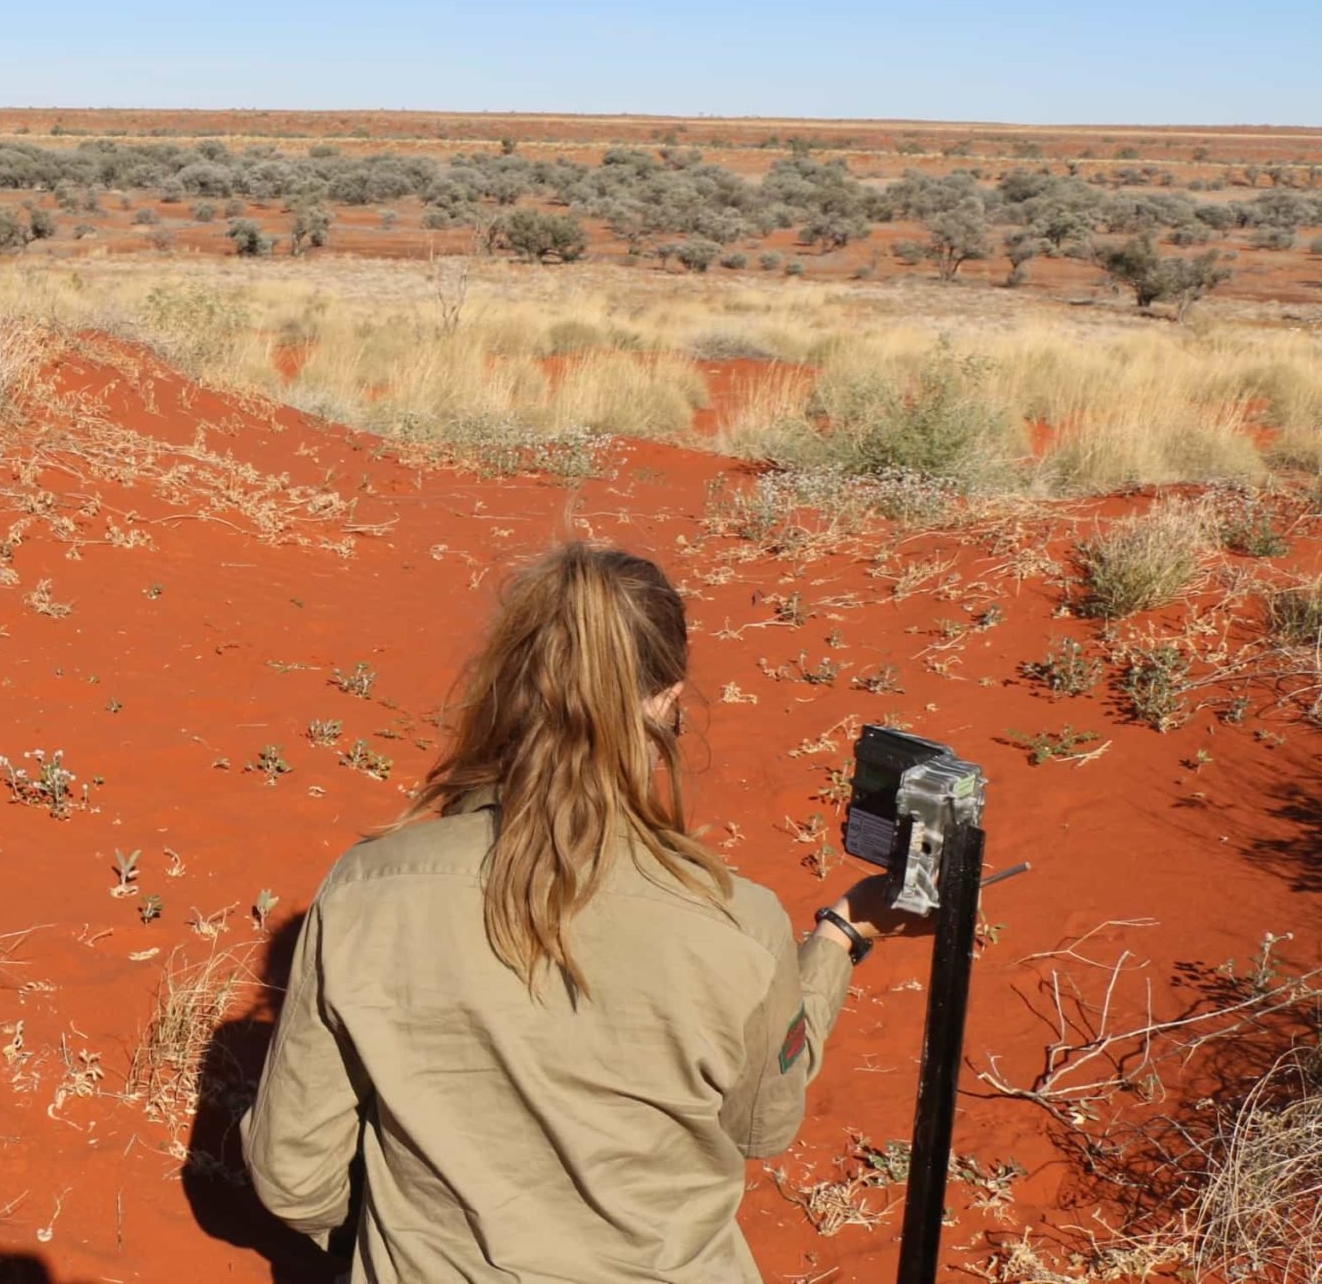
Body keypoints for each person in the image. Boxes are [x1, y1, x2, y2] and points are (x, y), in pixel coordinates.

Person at [239, 542, 925, 1282]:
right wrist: (840, 936)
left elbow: (292, 1175)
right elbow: (761, 1124)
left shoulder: (366, 890)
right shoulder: (738, 926)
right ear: (667, 700)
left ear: (508, 683)